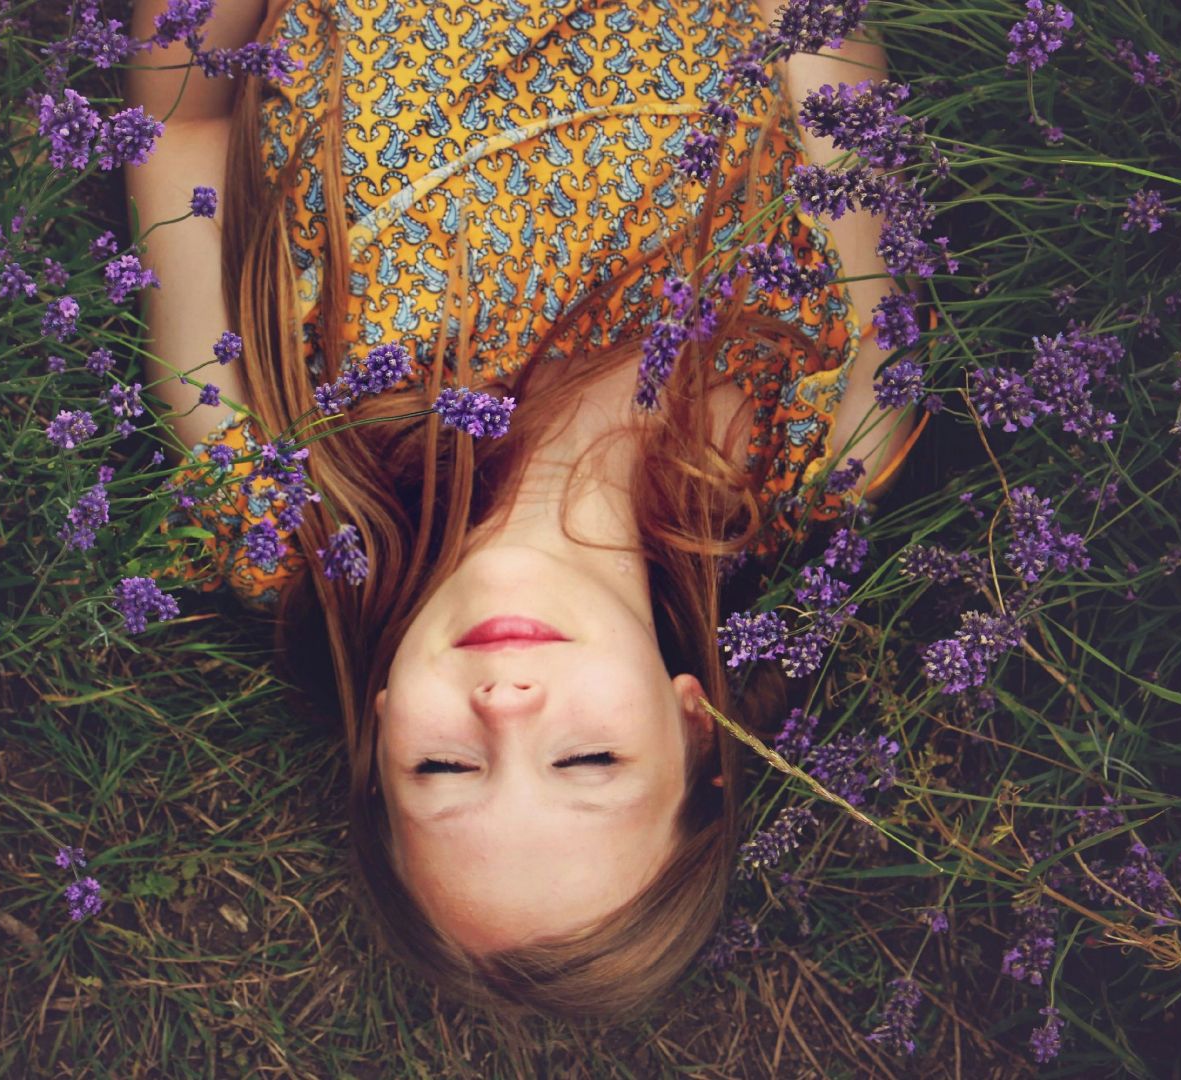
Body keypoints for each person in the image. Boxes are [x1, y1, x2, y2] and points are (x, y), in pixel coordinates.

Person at [122, 0, 933, 1020]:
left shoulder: (277, 503)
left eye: (444, 765)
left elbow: (180, 128)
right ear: (691, 726)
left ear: (377, 738)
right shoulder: (830, 438)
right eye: (586, 760)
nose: (505, 710)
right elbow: (822, 48)